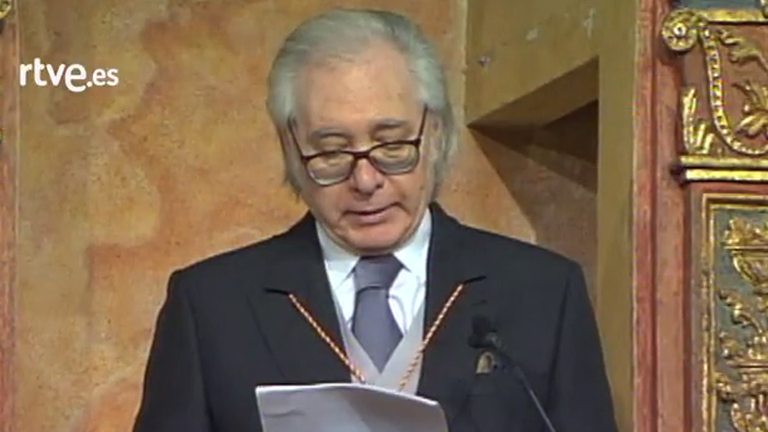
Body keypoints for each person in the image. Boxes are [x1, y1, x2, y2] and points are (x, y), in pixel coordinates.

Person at [132, 8, 618, 432]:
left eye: (391, 145)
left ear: (435, 134)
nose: (365, 180)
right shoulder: (212, 307)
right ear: (291, 150)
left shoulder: (542, 292)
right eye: (331, 151)